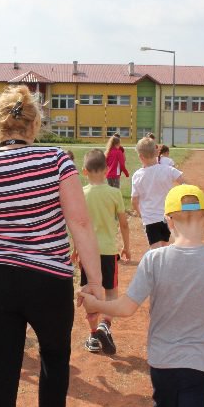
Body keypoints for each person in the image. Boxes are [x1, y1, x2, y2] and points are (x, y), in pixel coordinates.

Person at [0, 85, 104, 407]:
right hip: (48, 279)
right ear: (35, 123)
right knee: (54, 359)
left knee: (1, 368)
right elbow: (80, 223)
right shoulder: (56, 160)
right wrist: (95, 282)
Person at [80, 184, 204, 407]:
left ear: (168, 221)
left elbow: (126, 308)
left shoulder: (154, 259)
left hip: (162, 362)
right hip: (200, 363)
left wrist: (95, 304)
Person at [72, 149, 130, 355]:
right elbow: (124, 224)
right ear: (107, 169)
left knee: (89, 291)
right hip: (108, 250)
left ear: (84, 171)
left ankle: (93, 335)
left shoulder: (82, 194)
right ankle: (106, 323)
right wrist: (127, 246)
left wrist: (75, 248)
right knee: (111, 291)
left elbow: (78, 224)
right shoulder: (114, 194)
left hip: (87, 251)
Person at [131, 137, 187, 249]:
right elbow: (186, 185)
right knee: (164, 247)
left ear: (141, 157)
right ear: (157, 152)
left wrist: (140, 214)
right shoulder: (168, 170)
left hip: (150, 219)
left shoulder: (137, 175)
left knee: (156, 250)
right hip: (167, 216)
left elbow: (134, 200)